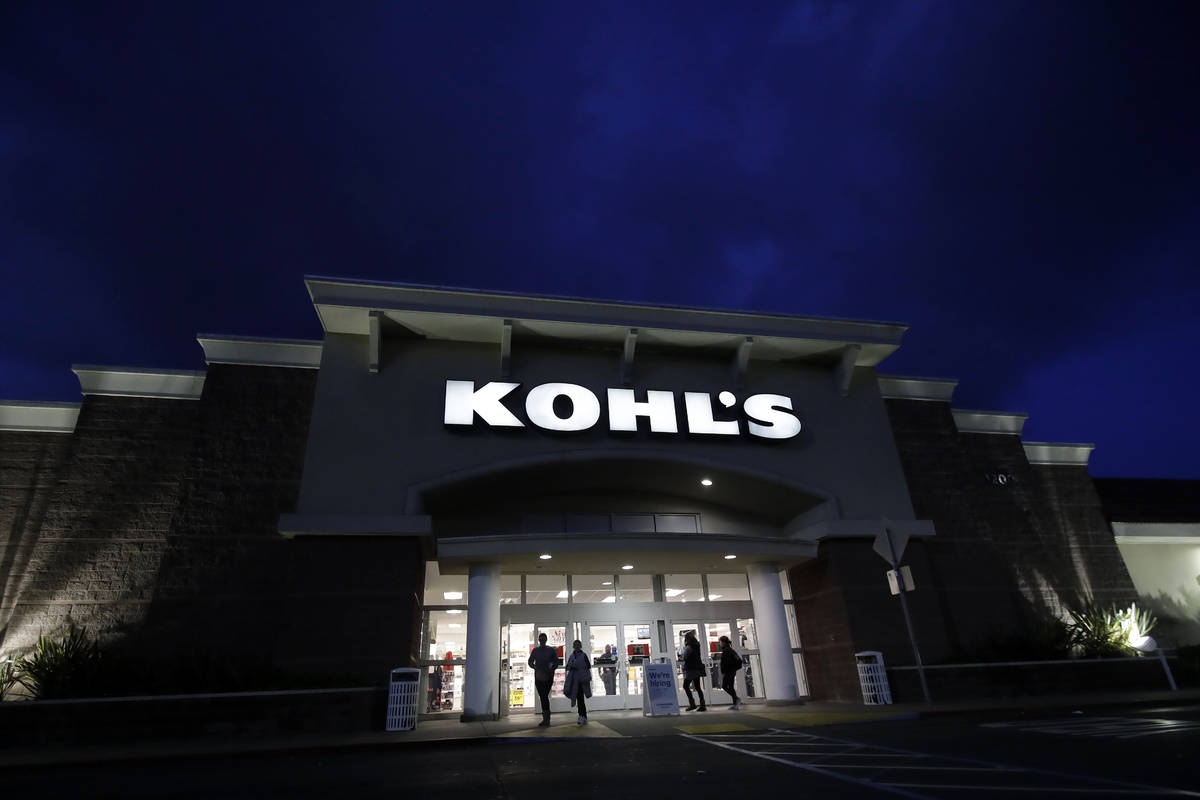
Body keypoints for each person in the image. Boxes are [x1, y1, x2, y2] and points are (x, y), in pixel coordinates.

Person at [528, 632, 559, 727]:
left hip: (548, 677)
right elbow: (530, 661)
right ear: (539, 640)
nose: (542, 641)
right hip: (539, 677)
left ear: (546, 640)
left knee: (544, 696)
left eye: (543, 639)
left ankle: (546, 718)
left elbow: (556, 662)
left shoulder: (551, 650)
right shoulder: (535, 650)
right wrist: (535, 668)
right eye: (540, 639)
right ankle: (546, 717)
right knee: (543, 696)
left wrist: (551, 669)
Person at [563, 639, 592, 725]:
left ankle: (582, 715)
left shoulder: (583, 655)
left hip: (581, 680)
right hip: (574, 680)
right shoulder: (572, 656)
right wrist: (571, 666)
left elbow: (588, 666)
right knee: (578, 697)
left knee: (580, 698)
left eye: (578, 644)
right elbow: (567, 666)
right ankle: (583, 716)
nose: (576, 646)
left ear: (580, 646)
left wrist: (579, 667)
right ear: (573, 646)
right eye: (575, 644)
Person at [681, 631, 707, 711]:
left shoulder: (689, 647)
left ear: (687, 639)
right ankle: (702, 705)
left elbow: (684, 657)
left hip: (691, 669)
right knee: (698, 687)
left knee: (685, 686)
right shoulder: (696, 645)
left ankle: (692, 704)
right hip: (697, 668)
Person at [717, 635, 743, 710]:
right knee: (731, 687)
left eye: (720, 642)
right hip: (731, 671)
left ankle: (736, 699)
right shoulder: (730, 649)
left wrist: (725, 670)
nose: (720, 643)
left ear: (724, 642)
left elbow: (727, 662)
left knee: (724, 686)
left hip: (728, 672)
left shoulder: (727, 650)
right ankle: (735, 704)